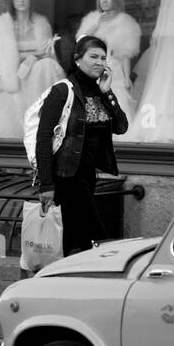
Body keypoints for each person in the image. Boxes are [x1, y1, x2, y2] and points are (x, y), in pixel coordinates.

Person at [36, 35, 126, 256]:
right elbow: (43, 138)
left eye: (103, 57)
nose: (99, 62)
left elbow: (121, 126)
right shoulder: (62, 91)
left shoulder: (100, 92)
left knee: (71, 241)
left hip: (88, 178)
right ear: (77, 59)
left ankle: (63, 282)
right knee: (97, 238)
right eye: (93, 56)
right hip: (66, 179)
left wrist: (108, 92)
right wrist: (46, 184)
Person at [0, 0, 64, 139]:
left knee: (47, 66)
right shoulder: (4, 24)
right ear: (12, 1)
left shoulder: (41, 23)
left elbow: (49, 54)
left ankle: (46, 125)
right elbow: (1, 58)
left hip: (38, 77)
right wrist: (23, 62)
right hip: (14, 78)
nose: (21, 0)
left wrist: (33, 58)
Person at [75, 0, 140, 122]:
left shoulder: (124, 22)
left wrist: (127, 76)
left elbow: (125, 54)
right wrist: (96, 25)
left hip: (114, 70)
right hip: (92, 68)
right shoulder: (92, 19)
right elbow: (81, 41)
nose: (104, 1)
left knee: (118, 101)